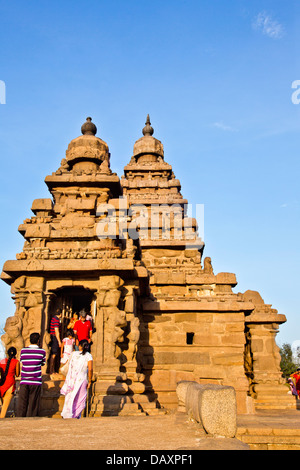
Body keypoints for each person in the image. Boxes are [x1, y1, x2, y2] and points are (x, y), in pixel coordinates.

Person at [60, 339, 93, 419]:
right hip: (82, 379)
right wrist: (90, 380)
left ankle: (68, 413)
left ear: (80, 346)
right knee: (80, 398)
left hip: (72, 379)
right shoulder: (88, 356)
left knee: (70, 396)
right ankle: (76, 414)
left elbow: (67, 364)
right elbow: (91, 369)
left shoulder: (73, 354)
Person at [16, 332, 46, 417]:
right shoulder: (42, 352)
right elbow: (43, 363)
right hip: (36, 381)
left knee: (22, 403)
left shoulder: (23, 350)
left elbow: (22, 361)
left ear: (29, 340)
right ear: (38, 341)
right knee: (33, 404)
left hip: (25, 380)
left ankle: (19, 420)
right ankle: (31, 422)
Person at [0, 347, 20, 418]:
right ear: (15, 354)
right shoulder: (16, 362)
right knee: (4, 409)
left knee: (3, 406)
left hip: (2, 385)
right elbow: (17, 374)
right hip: (10, 385)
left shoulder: (2, 361)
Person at [49, 308, 62, 377]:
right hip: (54, 337)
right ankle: (52, 370)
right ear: (61, 314)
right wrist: (59, 341)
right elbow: (56, 331)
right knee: (54, 354)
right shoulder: (56, 320)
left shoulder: (53, 318)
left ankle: (52, 369)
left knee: (53, 353)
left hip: (52, 336)